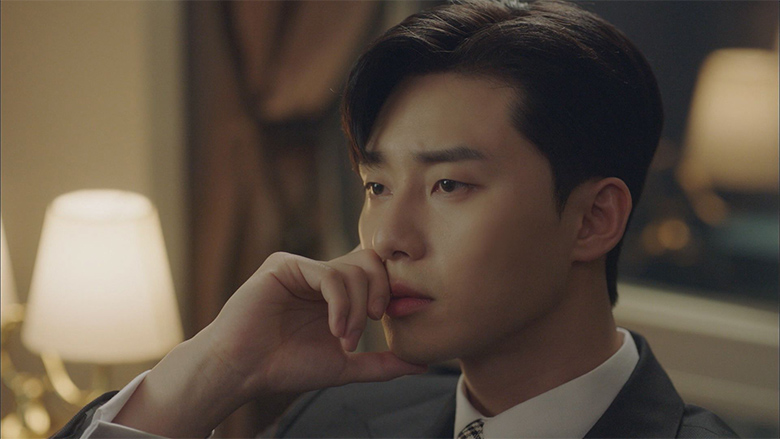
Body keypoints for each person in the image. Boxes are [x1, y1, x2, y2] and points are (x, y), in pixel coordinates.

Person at [56, 1, 738, 438]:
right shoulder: (333, 422)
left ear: (593, 219)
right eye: (377, 185)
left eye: (448, 184)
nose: (386, 238)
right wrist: (216, 370)